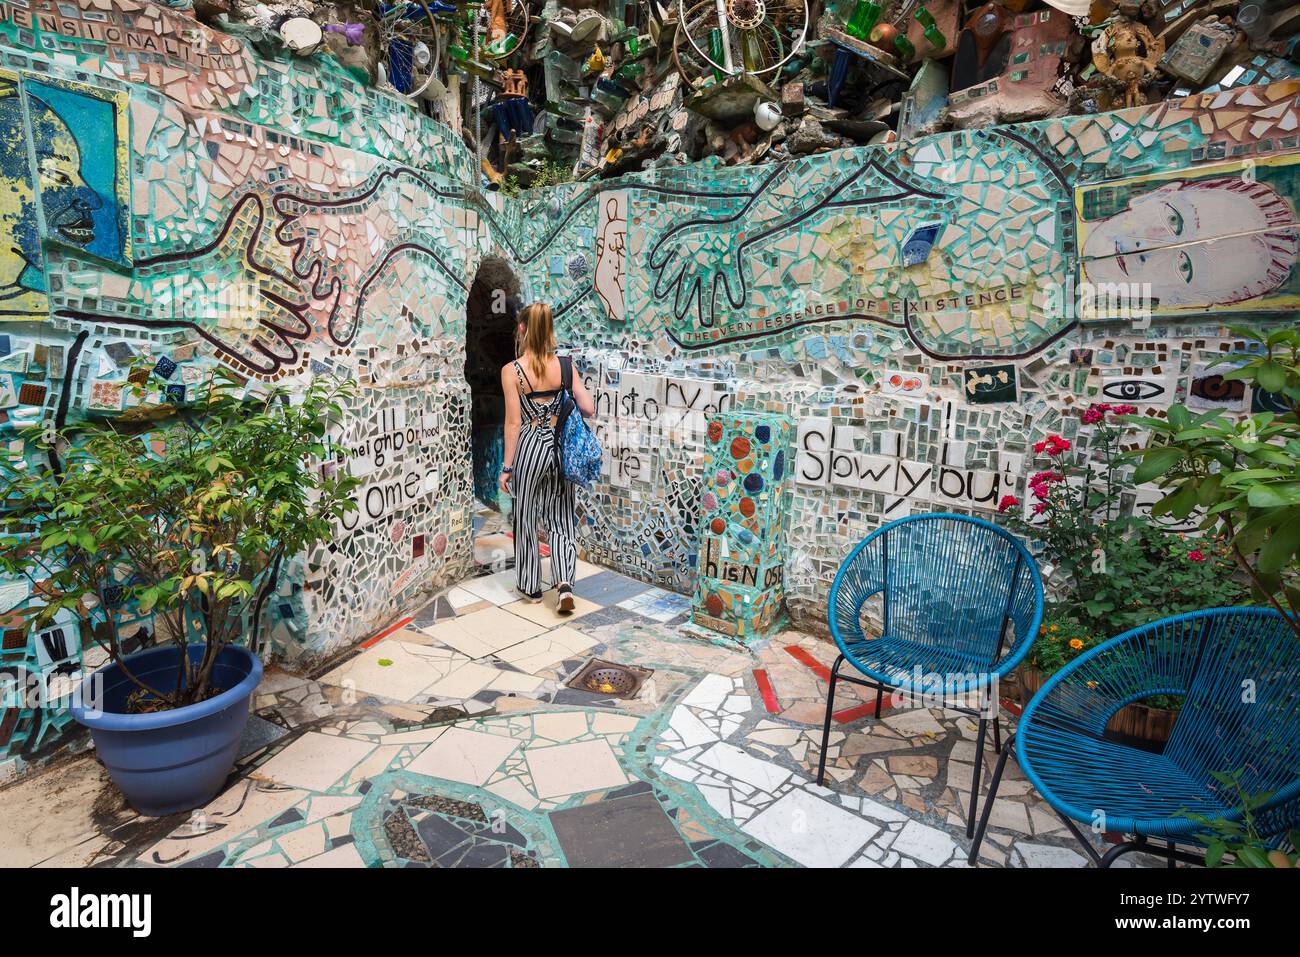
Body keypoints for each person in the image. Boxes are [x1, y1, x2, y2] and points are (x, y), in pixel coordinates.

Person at [499, 302, 596, 611]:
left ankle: (530, 587)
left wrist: (506, 466)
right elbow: (588, 408)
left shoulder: (512, 371)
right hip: (559, 447)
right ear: (550, 329)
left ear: (523, 329)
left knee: (526, 516)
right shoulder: (565, 366)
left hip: (529, 445)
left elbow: (513, 423)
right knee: (562, 517)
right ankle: (564, 583)